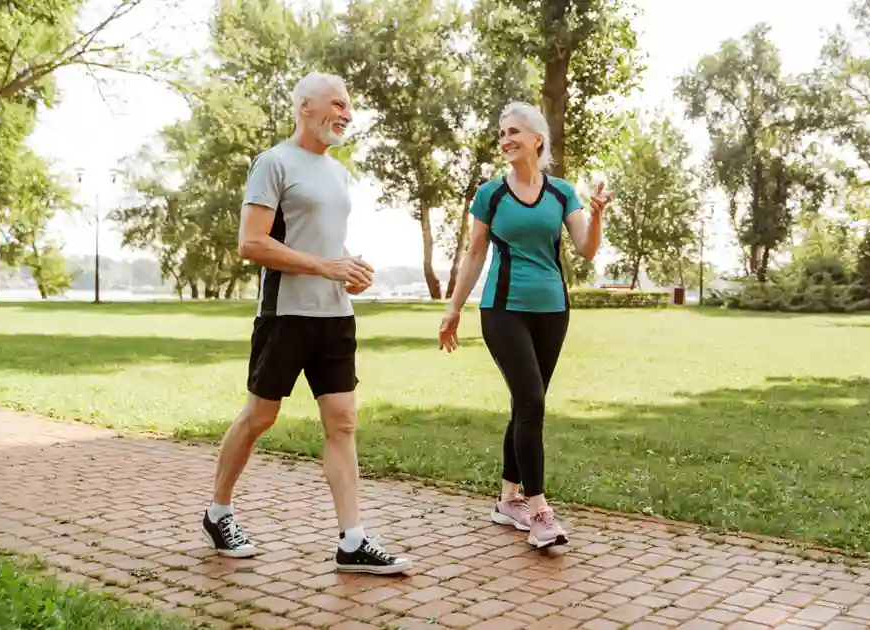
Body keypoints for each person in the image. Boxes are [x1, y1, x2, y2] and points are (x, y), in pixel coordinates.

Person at [201, 71, 412, 575]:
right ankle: (218, 511)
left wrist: (348, 267)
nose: (347, 114)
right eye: (338, 103)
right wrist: (324, 266)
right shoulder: (272, 163)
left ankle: (352, 540)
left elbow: (322, 243)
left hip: (335, 316)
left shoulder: (338, 173)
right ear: (304, 106)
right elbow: (251, 243)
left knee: (342, 421)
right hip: (285, 316)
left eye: (349, 107)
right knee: (260, 416)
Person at [438, 101, 612, 549]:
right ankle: (538, 510)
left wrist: (595, 216)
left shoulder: (561, 193)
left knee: (525, 405)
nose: (506, 139)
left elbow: (585, 249)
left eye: (514, 131)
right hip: (503, 308)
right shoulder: (490, 194)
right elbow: (475, 254)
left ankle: (506, 499)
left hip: (553, 309)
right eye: (501, 133)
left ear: (537, 138)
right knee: (532, 400)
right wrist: (454, 307)